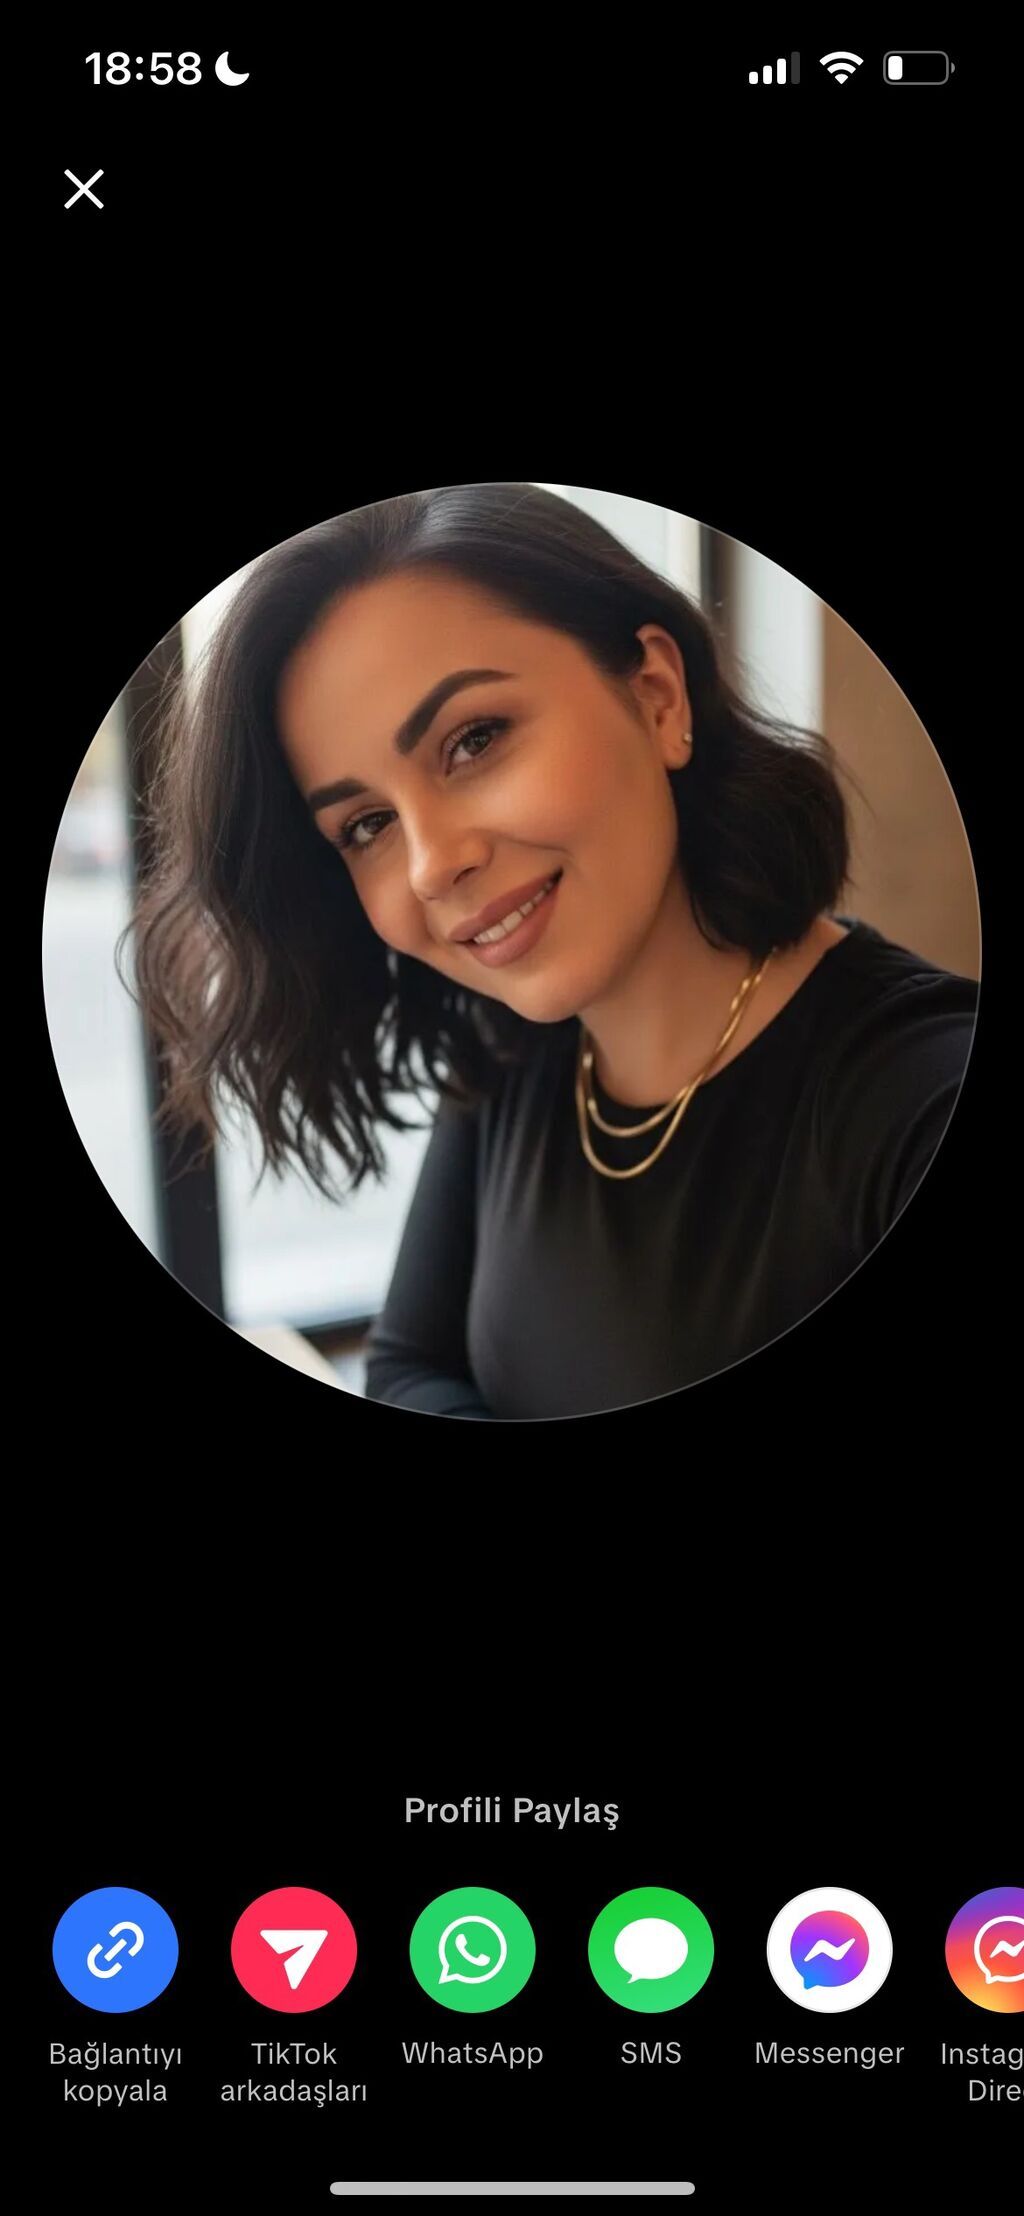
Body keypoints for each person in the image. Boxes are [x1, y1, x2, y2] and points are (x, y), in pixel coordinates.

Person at [119, 484, 979, 1419]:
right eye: (366, 824)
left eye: (474, 740)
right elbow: (409, 1364)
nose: (432, 865)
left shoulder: (920, 1105)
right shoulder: (510, 1051)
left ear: (656, 696)